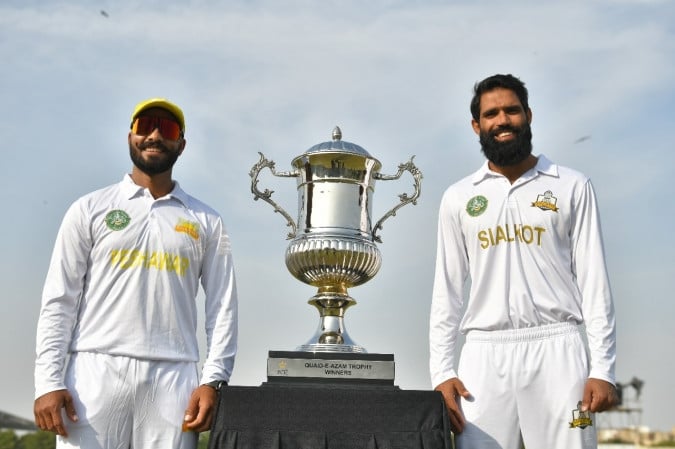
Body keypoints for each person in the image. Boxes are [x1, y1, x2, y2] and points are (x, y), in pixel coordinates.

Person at [33, 98, 238, 449]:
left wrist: (213, 380)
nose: (155, 135)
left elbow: (223, 308)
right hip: (94, 372)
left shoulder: (206, 221)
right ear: (130, 136)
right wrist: (48, 382)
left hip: (174, 377)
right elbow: (59, 299)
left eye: (168, 129)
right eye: (146, 126)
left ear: (181, 145)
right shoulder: (90, 209)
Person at [429, 74, 617, 449]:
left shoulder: (571, 186)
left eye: (511, 110)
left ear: (528, 115)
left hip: (557, 350)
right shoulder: (458, 197)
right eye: (491, 113)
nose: (502, 120)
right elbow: (446, 291)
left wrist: (603, 369)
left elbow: (594, 283)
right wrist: (442, 371)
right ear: (476, 125)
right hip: (483, 355)